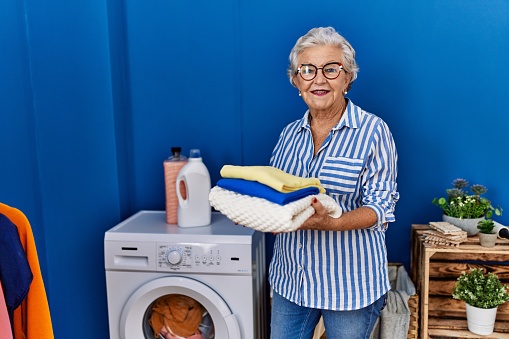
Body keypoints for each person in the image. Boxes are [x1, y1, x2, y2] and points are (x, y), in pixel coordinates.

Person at [269, 26, 399, 339]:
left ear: (347, 78)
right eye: (308, 70)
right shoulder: (289, 135)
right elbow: (275, 198)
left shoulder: (373, 132)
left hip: (349, 286)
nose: (319, 79)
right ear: (296, 80)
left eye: (331, 69)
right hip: (291, 280)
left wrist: (333, 223)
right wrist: (252, 211)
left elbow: (381, 208)